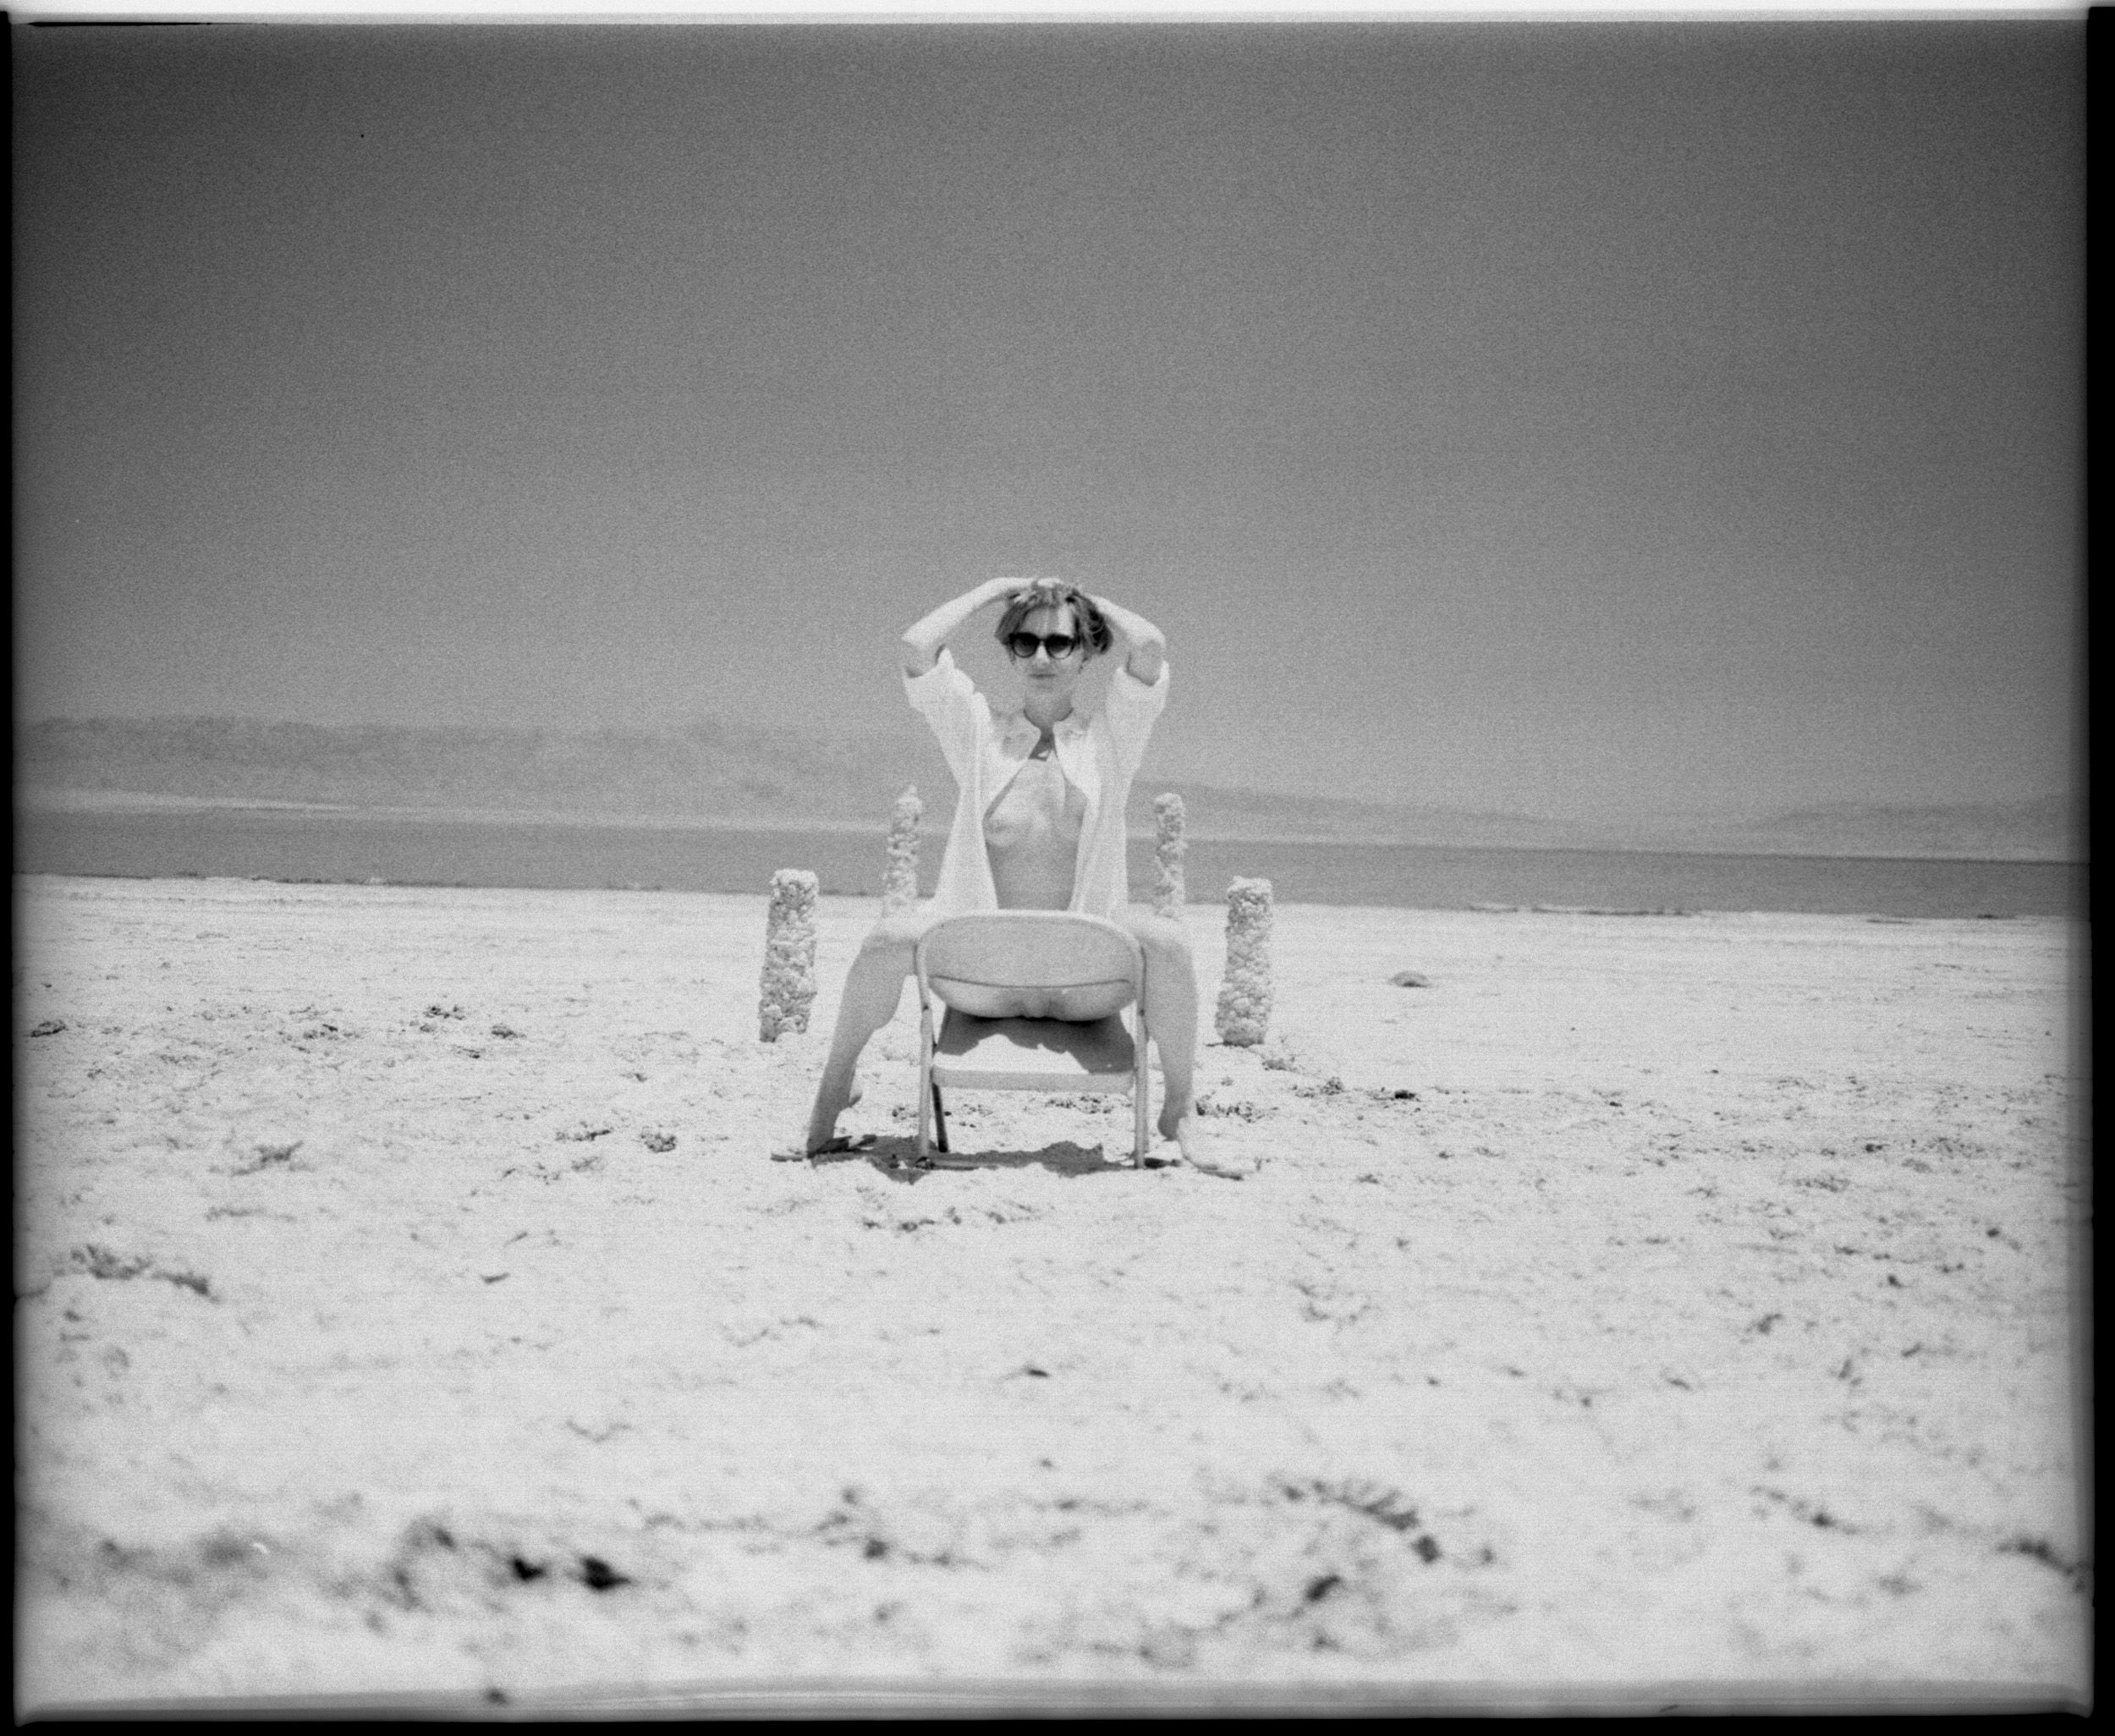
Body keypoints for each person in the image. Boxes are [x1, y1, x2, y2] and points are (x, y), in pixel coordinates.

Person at [776, 575, 1249, 1178]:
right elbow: (916, 648)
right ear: (1010, 652)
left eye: (1060, 643)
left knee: (1170, 943)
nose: (1042, 656)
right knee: (886, 939)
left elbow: (1150, 646)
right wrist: (1000, 589)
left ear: (1085, 651)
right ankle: (832, 1093)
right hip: (984, 978)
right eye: (1024, 643)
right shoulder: (980, 735)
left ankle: (1180, 1112)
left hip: (1085, 981)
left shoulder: (1109, 739)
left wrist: (1082, 598)